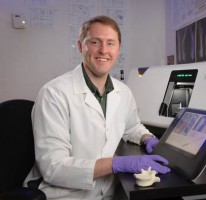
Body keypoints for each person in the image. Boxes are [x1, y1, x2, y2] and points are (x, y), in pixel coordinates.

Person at [24, 15, 170, 199]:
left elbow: (131, 126)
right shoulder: (54, 93)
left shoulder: (123, 91)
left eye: (111, 43)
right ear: (80, 46)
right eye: (95, 42)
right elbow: (54, 168)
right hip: (63, 195)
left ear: (118, 49)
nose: (103, 50)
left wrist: (147, 138)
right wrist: (117, 164)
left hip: (107, 191)